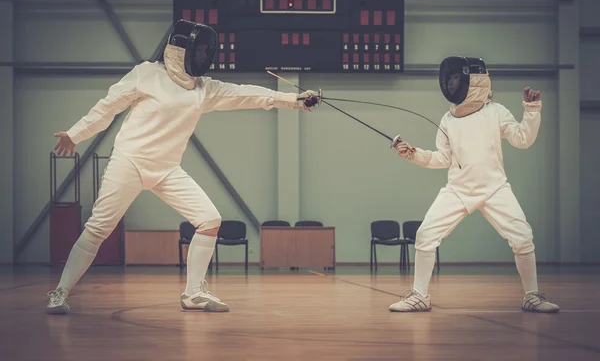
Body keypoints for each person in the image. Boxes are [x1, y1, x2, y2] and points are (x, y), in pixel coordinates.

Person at [47, 20, 321, 314]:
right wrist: (76, 134)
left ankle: (193, 293)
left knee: (209, 220)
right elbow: (108, 106)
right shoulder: (147, 74)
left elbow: (248, 94)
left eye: (206, 51)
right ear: (178, 51)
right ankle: (59, 293)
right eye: (199, 50)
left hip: (166, 169)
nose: (203, 57)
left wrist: (294, 99)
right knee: (99, 228)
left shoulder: (204, 89)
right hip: (129, 161)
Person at [389, 56, 559, 313]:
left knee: (523, 238)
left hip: (494, 188)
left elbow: (523, 139)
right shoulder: (448, 119)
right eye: (449, 79)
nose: (451, 82)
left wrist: (531, 111)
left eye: (456, 77)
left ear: (474, 80)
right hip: (458, 190)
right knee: (425, 235)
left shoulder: (496, 111)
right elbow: (443, 158)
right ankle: (420, 296)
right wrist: (414, 154)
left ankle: (532, 296)